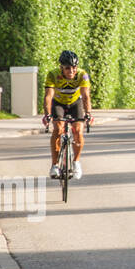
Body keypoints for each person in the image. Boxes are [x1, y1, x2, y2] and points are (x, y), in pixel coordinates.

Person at [43, 50, 92, 180]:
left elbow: (86, 96)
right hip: (58, 103)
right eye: (68, 68)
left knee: (78, 131)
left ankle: (76, 162)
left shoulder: (82, 75)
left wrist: (88, 113)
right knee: (58, 129)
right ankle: (54, 165)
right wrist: (47, 114)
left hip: (76, 103)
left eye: (74, 68)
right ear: (61, 68)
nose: (71, 71)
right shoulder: (53, 75)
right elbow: (48, 96)